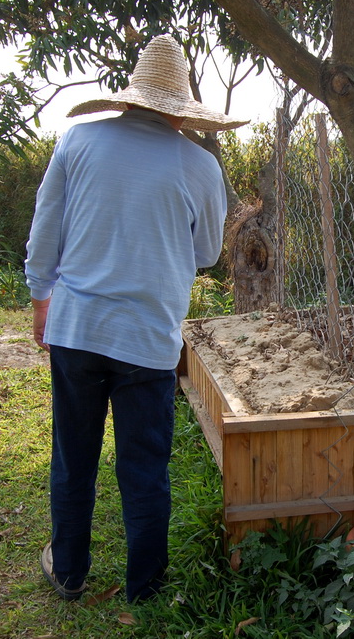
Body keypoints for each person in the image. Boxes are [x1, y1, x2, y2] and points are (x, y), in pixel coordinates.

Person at [26, 34, 247, 603]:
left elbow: (45, 234)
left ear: (129, 97)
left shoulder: (77, 142)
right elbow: (205, 255)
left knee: (73, 458)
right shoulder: (200, 164)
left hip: (77, 328)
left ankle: (69, 571)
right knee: (144, 467)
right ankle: (144, 586)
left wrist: (39, 299)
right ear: (181, 108)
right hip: (149, 340)